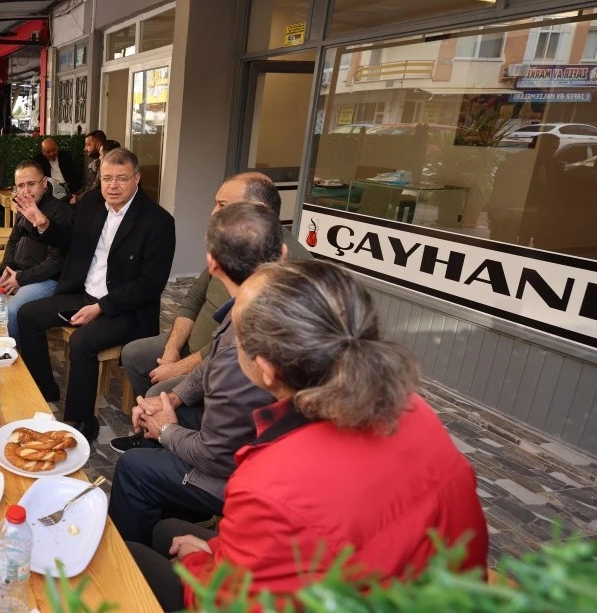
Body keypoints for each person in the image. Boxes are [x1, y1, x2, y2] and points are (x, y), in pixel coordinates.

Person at [130, 261, 488, 611]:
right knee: (167, 532)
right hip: (418, 587)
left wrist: (198, 562)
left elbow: (231, 601)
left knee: (136, 557)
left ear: (267, 369)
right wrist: (220, 552)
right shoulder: (415, 410)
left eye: (237, 335)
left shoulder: (268, 482)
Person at [107, 202, 285, 547]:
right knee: (157, 421)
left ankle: (135, 570)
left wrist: (167, 430)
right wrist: (172, 398)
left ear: (212, 265)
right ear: (282, 253)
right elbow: (210, 363)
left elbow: (214, 456)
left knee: (133, 468)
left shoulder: (248, 342)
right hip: (253, 443)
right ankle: (173, 515)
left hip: (249, 475)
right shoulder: (268, 300)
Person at [111, 172, 311, 453]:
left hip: (224, 367)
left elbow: (230, 348)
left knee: (160, 394)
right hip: (205, 349)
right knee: (133, 353)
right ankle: (151, 431)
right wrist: (171, 350)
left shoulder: (289, 270)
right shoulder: (233, 243)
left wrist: (178, 370)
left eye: (223, 204)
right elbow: (193, 298)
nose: (213, 212)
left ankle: (165, 444)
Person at [14, 148, 175, 442]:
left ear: (137, 179)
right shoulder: (91, 203)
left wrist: (101, 307)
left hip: (126, 309)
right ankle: (44, 389)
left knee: (82, 343)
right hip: (83, 292)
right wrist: (44, 223)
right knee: (28, 314)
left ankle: (81, 422)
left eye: (121, 179)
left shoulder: (158, 222)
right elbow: (70, 241)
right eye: (107, 178)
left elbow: (149, 285)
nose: (112, 186)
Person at [0, 160, 73, 339]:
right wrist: (6, 269)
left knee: (12, 310)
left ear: (44, 183)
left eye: (31, 184)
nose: (26, 191)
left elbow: (56, 262)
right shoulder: (24, 206)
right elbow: (13, 241)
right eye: (21, 185)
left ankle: (11, 358)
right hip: (18, 272)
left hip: (46, 281)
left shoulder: (62, 212)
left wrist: (20, 279)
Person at [33, 137, 83, 202]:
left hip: (68, 187)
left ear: (57, 147)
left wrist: (75, 193)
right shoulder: (38, 161)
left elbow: (75, 175)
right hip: (51, 190)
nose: (52, 154)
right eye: (48, 152)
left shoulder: (66, 156)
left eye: (54, 150)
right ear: (43, 153)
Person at [78, 130, 107, 199]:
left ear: (98, 145)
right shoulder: (95, 163)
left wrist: (76, 199)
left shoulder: (105, 164)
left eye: (88, 145)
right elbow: (87, 186)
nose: (85, 148)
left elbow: (94, 188)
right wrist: (76, 195)